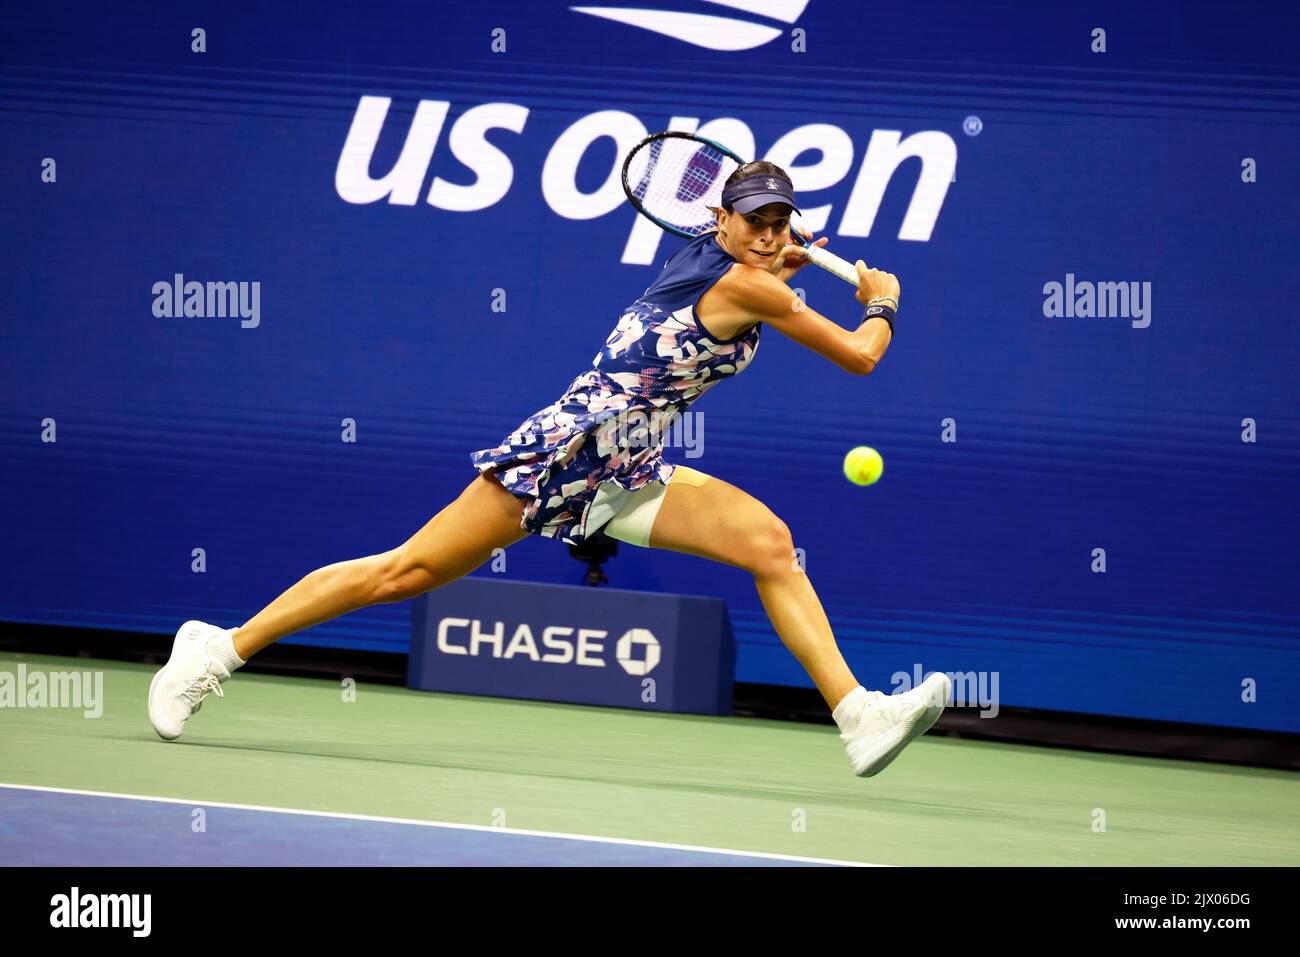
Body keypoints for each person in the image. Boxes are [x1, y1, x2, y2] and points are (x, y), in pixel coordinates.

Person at [148, 161, 951, 777]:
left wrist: (781, 263)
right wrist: (881, 299)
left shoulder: (722, 258)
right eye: (754, 222)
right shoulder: (751, 283)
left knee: (768, 543)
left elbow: (760, 273)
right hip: (565, 454)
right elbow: (858, 358)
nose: (771, 235)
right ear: (721, 220)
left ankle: (858, 717)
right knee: (402, 572)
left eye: (781, 222)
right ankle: (217, 650)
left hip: (629, 467)